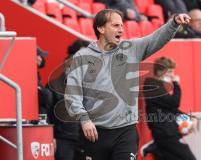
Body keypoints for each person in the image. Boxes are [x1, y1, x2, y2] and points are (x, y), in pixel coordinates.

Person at [64, 9, 190, 160]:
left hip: (126, 132)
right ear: (101, 28)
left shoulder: (131, 49)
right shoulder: (82, 57)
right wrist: (84, 120)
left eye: (122, 26)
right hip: (95, 133)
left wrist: (174, 22)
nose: (121, 30)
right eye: (116, 25)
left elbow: (155, 39)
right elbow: (72, 93)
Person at [142, 57, 196, 160]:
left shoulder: (159, 86)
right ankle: (154, 147)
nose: (172, 75)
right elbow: (174, 103)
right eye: (170, 71)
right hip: (166, 133)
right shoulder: (152, 85)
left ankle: (155, 147)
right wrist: (176, 84)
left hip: (167, 132)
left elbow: (170, 109)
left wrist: (189, 118)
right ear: (160, 71)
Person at [47, 40, 90, 160]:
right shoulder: (54, 86)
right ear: (69, 59)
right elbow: (47, 114)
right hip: (63, 140)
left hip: (87, 140)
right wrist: (50, 137)